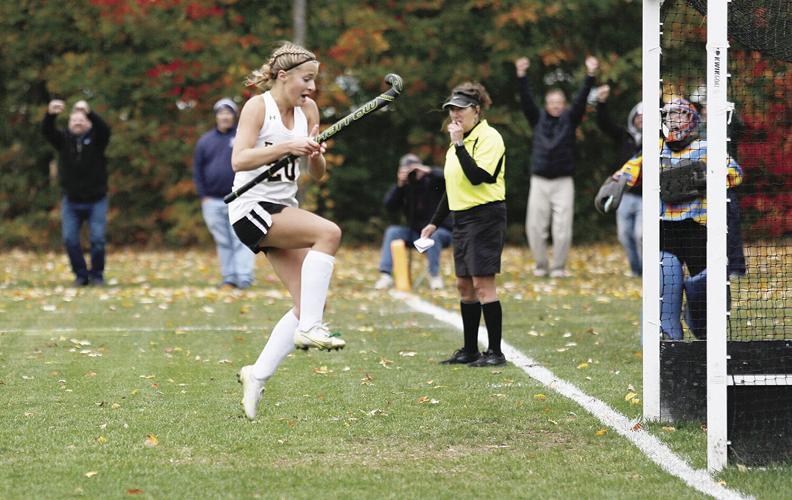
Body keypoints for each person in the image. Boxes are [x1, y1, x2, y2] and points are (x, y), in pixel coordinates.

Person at [231, 42, 345, 420]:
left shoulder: (308, 110)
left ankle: (256, 375)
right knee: (328, 233)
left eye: (314, 80)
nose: (311, 88)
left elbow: (317, 173)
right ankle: (311, 327)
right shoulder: (257, 107)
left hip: (282, 208)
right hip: (251, 208)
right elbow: (240, 158)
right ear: (283, 76)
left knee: (308, 301)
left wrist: (315, 155)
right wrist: (287, 146)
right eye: (306, 79)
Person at [611, 98, 743, 340]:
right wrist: (617, 182)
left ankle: (701, 327)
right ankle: (669, 341)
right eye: (670, 115)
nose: (674, 120)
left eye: (680, 115)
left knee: (703, 289)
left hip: (699, 229)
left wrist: (702, 178)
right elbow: (628, 170)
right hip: (665, 229)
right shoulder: (654, 149)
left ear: (691, 119)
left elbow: (735, 174)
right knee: (666, 282)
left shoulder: (707, 147)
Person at [421, 82, 507, 367]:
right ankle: (471, 349)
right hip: (462, 218)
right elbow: (453, 186)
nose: (454, 114)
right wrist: (434, 223)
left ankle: (494, 352)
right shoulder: (456, 144)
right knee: (464, 286)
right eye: (451, 109)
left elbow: (479, 177)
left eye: (460, 108)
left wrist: (459, 145)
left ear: (476, 110)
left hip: (485, 216)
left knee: (483, 285)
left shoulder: (489, 138)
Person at [515, 55, 599, 278]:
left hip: (563, 181)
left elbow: (581, 100)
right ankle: (541, 265)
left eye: (559, 103)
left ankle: (559, 267)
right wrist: (521, 75)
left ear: (564, 105)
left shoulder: (570, 119)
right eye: (552, 103)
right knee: (535, 226)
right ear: (546, 104)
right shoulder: (537, 118)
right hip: (540, 180)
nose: (555, 106)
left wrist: (590, 75)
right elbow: (526, 101)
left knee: (562, 228)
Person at [42, 99, 111, 286]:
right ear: (69, 123)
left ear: (88, 122)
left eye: (82, 120)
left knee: (97, 239)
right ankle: (81, 275)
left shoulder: (98, 140)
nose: (78, 123)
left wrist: (89, 112)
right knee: (70, 239)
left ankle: (97, 275)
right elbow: (47, 131)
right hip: (71, 201)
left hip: (97, 200)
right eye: (74, 120)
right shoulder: (63, 141)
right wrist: (50, 114)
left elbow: (104, 129)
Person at [193, 97, 255, 289]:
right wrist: (203, 196)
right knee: (223, 241)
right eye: (221, 112)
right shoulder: (205, 141)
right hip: (212, 200)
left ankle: (244, 277)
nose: (225, 116)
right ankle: (229, 277)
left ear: (234, 116)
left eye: (228, 113)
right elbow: (198, 170)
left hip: (239, 198)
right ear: (216, 116)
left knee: (241, 238)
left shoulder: (241, 138)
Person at [375, 153, 452, 290]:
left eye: (413, 169)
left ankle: (434, 277)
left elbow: (447, 176)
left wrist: (427, 171)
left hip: (441, 232)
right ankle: (385, 275)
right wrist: (400, 185)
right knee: (393, 231)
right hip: (415, 233)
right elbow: (389, 206)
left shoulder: (433, 180)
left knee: (433, 235)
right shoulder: (405, 187)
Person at [594, 85, 643, 277]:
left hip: (646, 197)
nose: (641, 120)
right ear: (633, 119)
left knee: (641, 235)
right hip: (624, 195)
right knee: (624, 235)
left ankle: (647, 272)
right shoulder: (624, 136)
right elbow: (604, 123)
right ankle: (635, 270)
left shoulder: (659, 139)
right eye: (638, 117)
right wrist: (601, 102)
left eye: (646, 117)